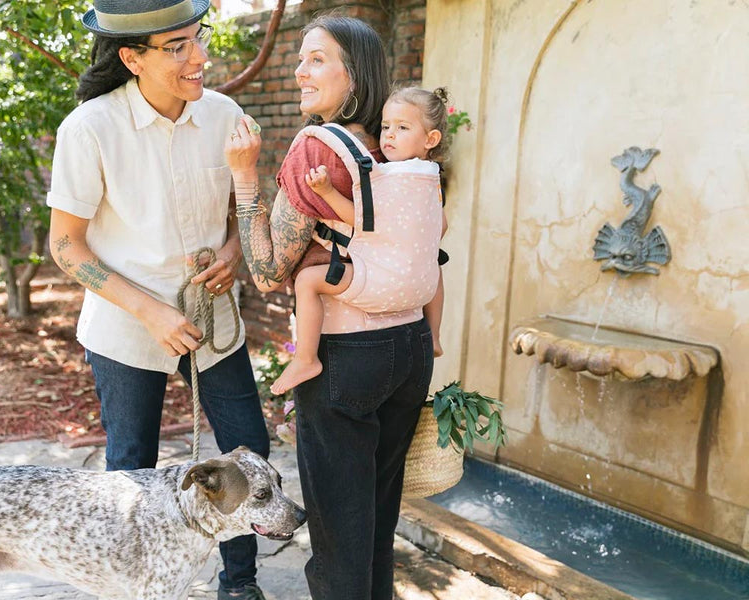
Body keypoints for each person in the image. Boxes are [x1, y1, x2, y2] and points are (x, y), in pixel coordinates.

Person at [46, 2, 270, 599]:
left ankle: (241, 584)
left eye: (198, 39)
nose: (199, 57)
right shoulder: (89, 128)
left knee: (249, 453)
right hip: (125, 327)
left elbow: (239, 217)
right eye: (177, 47)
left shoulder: (225, 115)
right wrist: (151, 311)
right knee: (131, 470)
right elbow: (65, 246)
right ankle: (132, 587)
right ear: (131, 58)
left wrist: (232, 254)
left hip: (213, 322)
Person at [225, 15, 435, 600]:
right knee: (374, 521)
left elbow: (268, 271)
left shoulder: (319, 148)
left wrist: (245, 179)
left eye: (317, 59)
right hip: (410, 346)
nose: (299, 70)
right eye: (301, 57)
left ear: (355, 75)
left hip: (345, 355)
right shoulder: (400, 144)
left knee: (339, 537)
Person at [267, 86, 451, 396]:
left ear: (430, 140)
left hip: (381, 282)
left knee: (309, 281)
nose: (389, 136)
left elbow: (363, 220)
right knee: (434, 260)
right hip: (419, 290)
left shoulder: (394, 176)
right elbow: (441, 225)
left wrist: (326, 192)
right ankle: (433, 336)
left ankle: (306, 358)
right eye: (386, 127)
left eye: (402, 128)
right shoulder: (430, 176)